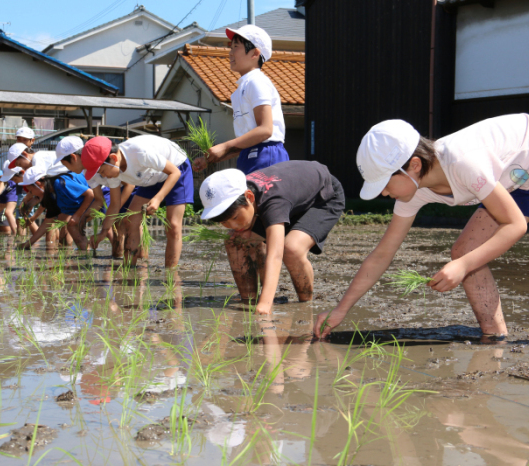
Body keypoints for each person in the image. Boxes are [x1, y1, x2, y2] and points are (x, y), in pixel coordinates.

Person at [314, 115, 529, 350]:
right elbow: (382, 254)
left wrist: (462, 266)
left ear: (413, 165)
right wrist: (341, 310)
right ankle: (494, 336)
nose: (384, 193)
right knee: (463, 250)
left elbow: (515, 226)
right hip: (515, 179)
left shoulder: (463, 163)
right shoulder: (413, 191)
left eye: (385, 183)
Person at [199, 161, 345, 315]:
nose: (233, 225)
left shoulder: (274, 202)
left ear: (249, 197)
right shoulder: (244, 193)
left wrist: (265, 304)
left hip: (322, 197)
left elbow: (275, 255)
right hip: (292, 196)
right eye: (224, 222)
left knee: (292, 248)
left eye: (235, 217)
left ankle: (305, 306)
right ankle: (248, 301)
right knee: (235, 240)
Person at [81, 135, 193, 268]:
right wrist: (103, 231)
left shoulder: (139, 153)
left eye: (102, 171)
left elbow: (174, 172)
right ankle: (129, 269)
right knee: (130, 220)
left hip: (176, 168)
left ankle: (170, 276)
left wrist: (157, 199)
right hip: (150, 177)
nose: (103, 176)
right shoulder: (113, 170)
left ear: (113, 158)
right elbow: (115, 204)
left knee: (173, 225)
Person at [192, 25, 288, 175]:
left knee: (260, 199)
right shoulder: (240, 90)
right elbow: (248, 140)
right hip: (250, 153)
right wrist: (211, 157)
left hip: (266, 153)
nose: (230, 53)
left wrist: (224, 147)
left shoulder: (256, 81)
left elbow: (265, 130)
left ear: (255, 53)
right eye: (231, 48)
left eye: (236, 47)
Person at [56, 136, 136, 258]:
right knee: (116, 228)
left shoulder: (99, 161)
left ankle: (139, 265)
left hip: (132, 188)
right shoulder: (87, 174)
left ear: (73, 157)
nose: (67, 169)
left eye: (66, 165)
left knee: (128, 226)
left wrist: (115, 210)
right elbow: (98, 199)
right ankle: (118, 262)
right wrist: (83, 217)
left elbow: (130, 184)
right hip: (115, 192)